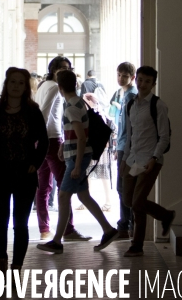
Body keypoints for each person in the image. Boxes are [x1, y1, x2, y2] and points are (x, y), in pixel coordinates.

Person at [0, 67, 48, 276]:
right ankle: (2, 260)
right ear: (7, 84)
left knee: (21, 224)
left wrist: (36, 161)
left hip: (24, 174)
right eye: (12, 82)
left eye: (20, 83)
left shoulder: (33, 111)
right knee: (0, 222)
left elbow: (43, 141)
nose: (16, 86)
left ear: (26, 87)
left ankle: (17, 266)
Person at [37, 69, 120, 254]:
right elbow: (76, 135)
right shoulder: (76, 103)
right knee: (83, 196)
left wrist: (76, 165)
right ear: (75, 84)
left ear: (59, 88)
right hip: (76, 156)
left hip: (77, 159)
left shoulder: (72, 107)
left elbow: (82, 138)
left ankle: (57, 241)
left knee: (63, 196)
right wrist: (63, 146)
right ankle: (108, 230)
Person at [120, 66, 175, 257]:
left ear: (153, 84)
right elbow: (130, 135)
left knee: (137, 203)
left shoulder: (158, 105)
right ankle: (165, 215)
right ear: (136, 80)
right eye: (140, 80)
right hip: (132, 158)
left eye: (147, 81)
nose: (143, 84)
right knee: (128, 200)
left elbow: (164, 137)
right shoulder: (130, 105)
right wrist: (124, 159)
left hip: (149, 160)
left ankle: (137, 245)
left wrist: (154, 157)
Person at [35, 56, 90, 241]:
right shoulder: (52, 87)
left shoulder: (43, 85)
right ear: (53, 70)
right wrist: (39, 137)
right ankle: (67, 229)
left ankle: (45, 229)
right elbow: (43, 111)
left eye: (67, 68)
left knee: (44, 186)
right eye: (60, 68)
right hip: (51, 138)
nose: (64, 72)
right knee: (62, 185)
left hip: (45, 139)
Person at [109, 61, 137, 238]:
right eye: (119, 75)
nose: (120, 78)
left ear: (132, 77)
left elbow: (130, 126)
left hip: (127, 146)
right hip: (121, 144)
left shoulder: (131, 96)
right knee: (123, 187)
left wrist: (125, 149)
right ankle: (125, 223)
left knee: (124, 187)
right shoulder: (122, 93)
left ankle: (125, 224)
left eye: (125, 76)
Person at [75, 92, 115, 212]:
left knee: (101, 174)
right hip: (98, 148)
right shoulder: (97, 111)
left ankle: (107, 201)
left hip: (99, 148)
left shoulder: (96, 112)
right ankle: (88, 199)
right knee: (93, 174)